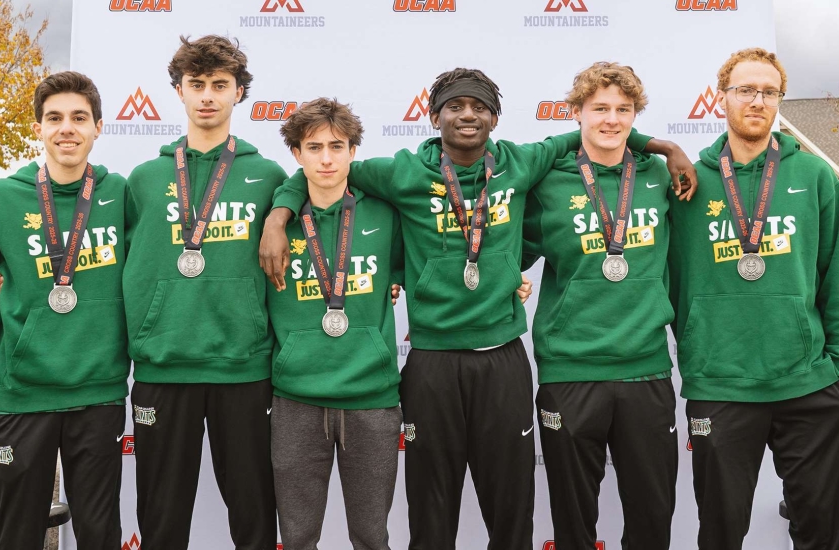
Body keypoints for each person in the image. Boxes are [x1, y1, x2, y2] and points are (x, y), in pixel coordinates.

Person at [260, 67, 695, 549]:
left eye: (480, 107)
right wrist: (279, 216)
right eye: (455, 106)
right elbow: (323, 171)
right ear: (434, 116)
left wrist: (665, 148)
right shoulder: (401, 171)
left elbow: (592, 130)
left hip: (503, 355)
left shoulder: (522, 162)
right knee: (432, 510)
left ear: (495, 117)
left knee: (511, 511)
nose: (468, 115)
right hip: (431, 361)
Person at [668, 47, 839, 550]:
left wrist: (834, 363)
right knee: (720, 533)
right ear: (722, 98)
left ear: (779, 101)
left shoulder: (813, 176)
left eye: (769, 91)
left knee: (819, 528)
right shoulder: (686, 183)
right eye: (746, 89)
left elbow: (833, 273)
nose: (757, 100)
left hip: (806, 384)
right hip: (721, 385)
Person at [123, 35, 287, 550]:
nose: (208, 96)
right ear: (179, 91)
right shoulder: (144, 180)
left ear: (239, 93)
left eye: (220, 85)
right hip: (163, 366)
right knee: (162, 518)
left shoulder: (269, 176)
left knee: (254, 515)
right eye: (197, 85)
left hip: (243, 367)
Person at [523, 62, 681, 550]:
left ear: (636, 115)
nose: (611, 120)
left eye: (624, 109)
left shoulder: (660, 174)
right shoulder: (549, 180)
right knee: (573, 526)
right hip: (570, 372)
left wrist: (666, 147)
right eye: (600, 109)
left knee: (653, 521)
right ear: (576, 113)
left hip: (646, 372)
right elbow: (501, 247)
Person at [0, 71, 128, 549]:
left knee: (98, 533)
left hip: (99, 390)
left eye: (78, 117)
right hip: (20, 392)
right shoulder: (0, 196)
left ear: (98, 127)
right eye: (54, 118)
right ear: (38, 129)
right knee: (18, 535)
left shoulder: (121, 194)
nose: (66, 128)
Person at [268, 97, 403, 550]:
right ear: (297, 154)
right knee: (298, 536)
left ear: (353, 151)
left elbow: (430, 266)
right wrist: (277, 214)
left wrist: (511, 281)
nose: (326, 158)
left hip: (372, 400)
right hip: (296, 401)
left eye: (337, 146)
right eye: (314, 147)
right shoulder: (271, 223)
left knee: (371, 536)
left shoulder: (386, 214)